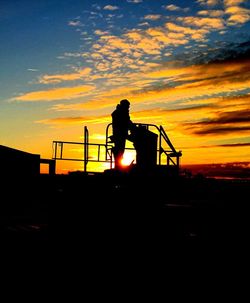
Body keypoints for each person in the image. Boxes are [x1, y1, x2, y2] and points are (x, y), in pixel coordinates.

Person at [111, 99, 134, 169]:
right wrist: (133, 128)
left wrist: (132, 127)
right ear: (124, 105)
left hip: (121, 134)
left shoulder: (120, 112)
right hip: (119, 134)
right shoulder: (120, 113)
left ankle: (118, 166)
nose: (128, 108)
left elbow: (127, 122)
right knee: (119, 150)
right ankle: (118, 167)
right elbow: (126, 122)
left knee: (120, 150)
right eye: (127, 106)